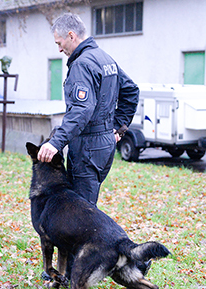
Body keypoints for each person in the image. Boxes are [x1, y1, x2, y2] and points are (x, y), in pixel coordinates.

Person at [38, 13, 139, 206]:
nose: (59, 49)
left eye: (59, 43)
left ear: (71, 35)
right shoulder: (104, 58)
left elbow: (81, 109)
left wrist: (55, 143)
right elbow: (131, 91)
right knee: (85, 206)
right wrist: (117, 128)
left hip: (88, 147)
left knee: (81, 212)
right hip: (104, 146)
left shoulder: (82, 64)